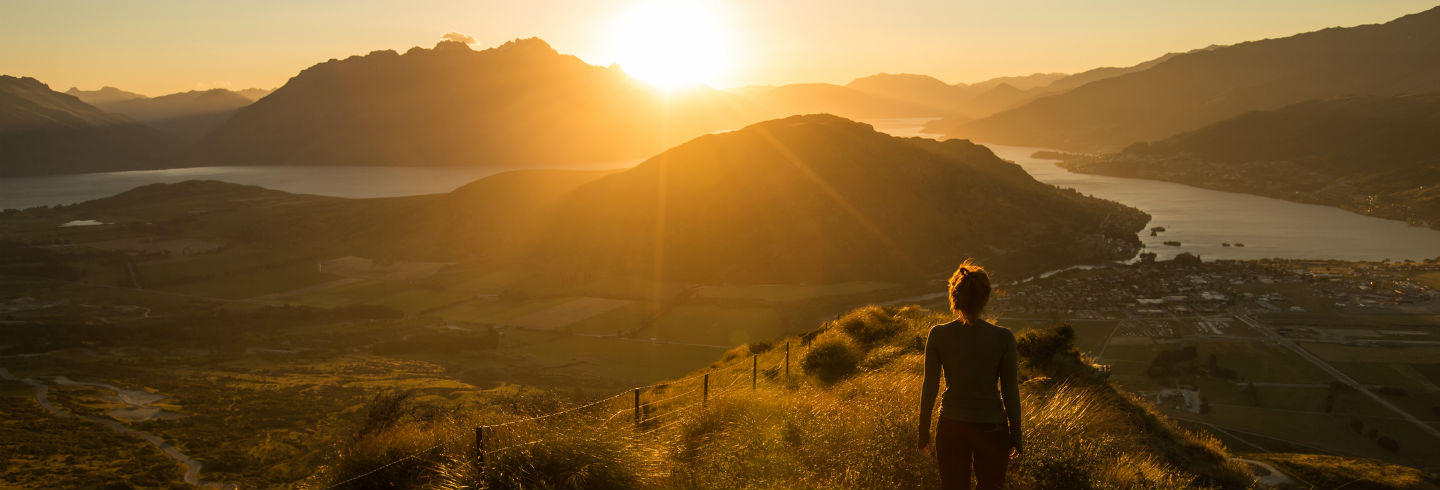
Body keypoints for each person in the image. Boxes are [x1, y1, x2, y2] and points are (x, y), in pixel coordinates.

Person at [918, 260, 1022, 490]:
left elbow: (930, 388)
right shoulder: (1003, 338)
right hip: (992, 428)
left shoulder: (938, 335)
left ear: (954, 297)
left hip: (952, 426)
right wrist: (1017, 436)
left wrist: (923, 432)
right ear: (985, 297)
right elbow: (1010, 392)